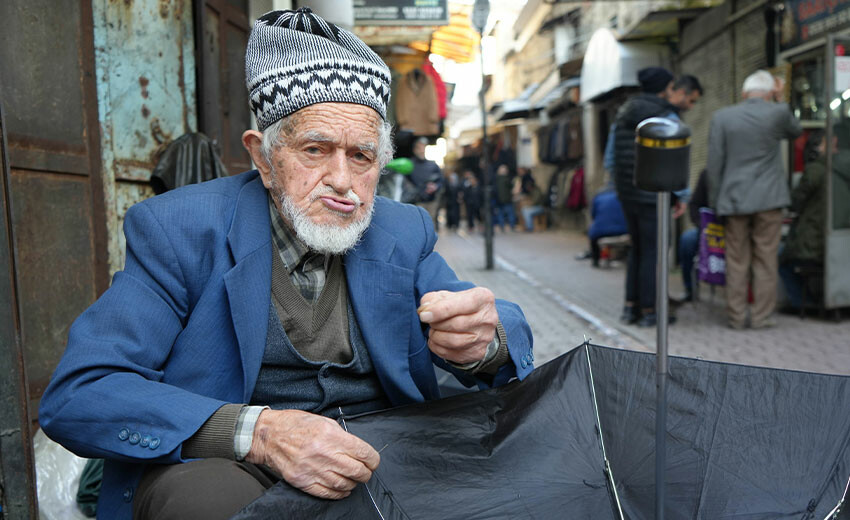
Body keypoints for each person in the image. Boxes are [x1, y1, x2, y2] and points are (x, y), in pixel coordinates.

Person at [38, 9, 534, 520]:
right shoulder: (179, 229)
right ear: (263, 158)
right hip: (239, 463)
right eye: (315, 150)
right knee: (200, 502)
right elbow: (82, 391)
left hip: (383, 451)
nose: (342, 180)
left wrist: (484, 342)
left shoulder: (402, 229)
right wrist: (260, 432)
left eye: (361, 157)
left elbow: (493, 324)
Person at [707, 69, 802, 329]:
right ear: (770, 93)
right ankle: (761, 317)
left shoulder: (722, 117)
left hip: (734, 198)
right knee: (766, 258)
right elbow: (796, 131)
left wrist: (716, 201)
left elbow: (714, 163)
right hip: (769, 199)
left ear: (744, 93)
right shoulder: (778, 113)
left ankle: (736, 317)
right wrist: (781, 99)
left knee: (736, 259)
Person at [611, 66, 688, 327]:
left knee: (638, 248)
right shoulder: (666, 116)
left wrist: (622, 187)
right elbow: (676, 158)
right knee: (654, 252)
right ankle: (651, 311)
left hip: (627, 193)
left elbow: (610, 158)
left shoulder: (623, 113)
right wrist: (682, 195)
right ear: (665, 88)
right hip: (655, 194)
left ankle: (630, 308)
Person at [677, 170, 709, 301]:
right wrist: (702, 224)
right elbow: (694, 205)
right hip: (706, 229)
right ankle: (690, 288)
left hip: (733, 230)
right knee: (687, 240)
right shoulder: (707, 174)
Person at [410, 136, 444, 229]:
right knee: (418, 226)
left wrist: (435, 186)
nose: (421, 150)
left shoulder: (433, 165)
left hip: (431, 202)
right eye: (419, 147)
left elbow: (441, 181)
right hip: (416, 202)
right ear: (414, 149)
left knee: (430, 226)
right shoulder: (410, 165)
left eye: (423, 147)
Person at [493, 164, 517, 231]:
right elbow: (511, 187)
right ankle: (512, 226)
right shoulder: (507, 178)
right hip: (507, 199)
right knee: (510, 213)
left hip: (499, 199)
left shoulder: (496, 178)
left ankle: (502, 226)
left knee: (500, 214)